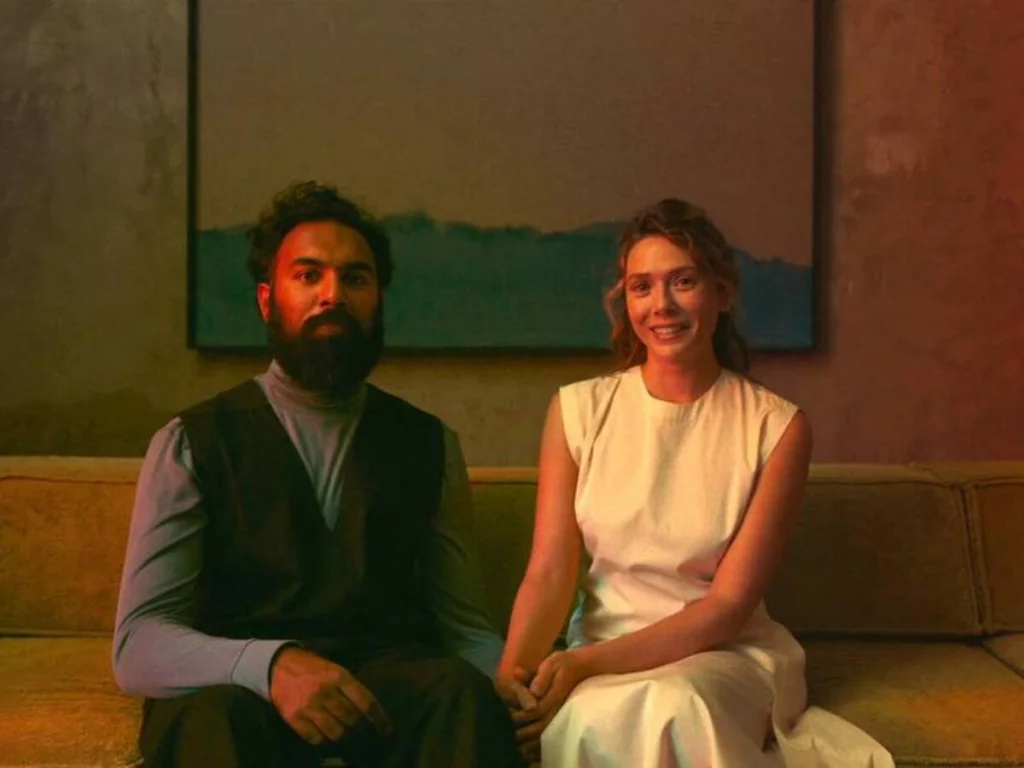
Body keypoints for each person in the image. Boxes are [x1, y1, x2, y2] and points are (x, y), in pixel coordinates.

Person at [113, 181, 529, 768]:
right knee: (210, 717)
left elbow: (465, 629)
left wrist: (523, 687)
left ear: (377, 300)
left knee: (460, 694)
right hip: (240, 691)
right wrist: (271, 666)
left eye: (354, 278)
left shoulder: (429, 444)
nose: (333, 294)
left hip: (381, 690)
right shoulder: (191, 442)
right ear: (267, 300)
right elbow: (139, 643)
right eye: (308, 275)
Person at [497, 199, 895, 767]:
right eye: (642, 287)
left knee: (674, 702)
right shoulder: (577, 411)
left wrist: (583, 665)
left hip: (723, 655)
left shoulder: (776, 427)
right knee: (590, 716)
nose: (661, 305)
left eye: (682, 281)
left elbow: (728, 606)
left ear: (722, 293)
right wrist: (510, 684)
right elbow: (549, 571)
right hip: (604, 651)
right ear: (625, 299)